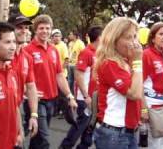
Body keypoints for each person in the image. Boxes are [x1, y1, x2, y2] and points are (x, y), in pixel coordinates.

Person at [25, 14, 78, 149]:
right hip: (36, 101)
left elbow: (59, 76)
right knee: (44, 139)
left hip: (52, 100)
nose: (45, 31)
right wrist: (26, 91)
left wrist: (69, 96)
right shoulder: (27, 50)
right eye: (41, 28)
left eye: (47, 28)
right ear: (35, 30)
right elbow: (20, 76)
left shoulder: (53, 50)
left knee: (37, 139)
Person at [92, 17, 143, 149]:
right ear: (114, 40)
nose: (134, 43)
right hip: (115, 133)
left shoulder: (125, 61)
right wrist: (137, 62)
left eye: (135, 37)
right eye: (128, 37)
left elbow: (139, 88)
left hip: (127, 131)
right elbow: (134, 93)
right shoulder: (110, 63)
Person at [60, 26, 102, 149]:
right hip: (85, 98)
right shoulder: (87, 52)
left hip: (95, 97)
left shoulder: (99, 53)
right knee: (81, 125)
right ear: (99, 38)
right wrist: (85, 96)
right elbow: (79, 75)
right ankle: (65, 146)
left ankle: (83, 146)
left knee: (90, 127)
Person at [8, 14, 38, 137]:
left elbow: (31, 87)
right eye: (19, 27)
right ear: (9, 30)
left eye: (26, 27)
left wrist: (34, 115)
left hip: (16, 109)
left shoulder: (27, 57)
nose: (24, 30)